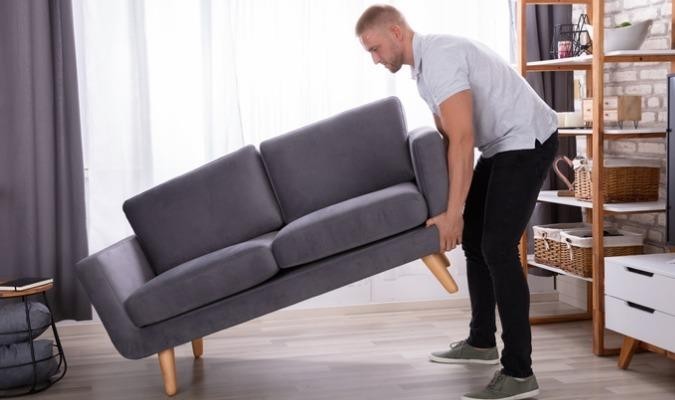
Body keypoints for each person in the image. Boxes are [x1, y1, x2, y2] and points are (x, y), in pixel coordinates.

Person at [355, 5, 558, 400]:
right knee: (475, 242)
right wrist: (448, 210)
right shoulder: (423, 72)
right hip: (500, 145)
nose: (375, 60)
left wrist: (454, 214)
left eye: (375, 49)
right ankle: (482, 342)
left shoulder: (441, 58)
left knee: (497, 247)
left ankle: (520, 372)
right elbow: (449, 141)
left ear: (396, 32)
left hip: (527, 140)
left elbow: (463, 141)